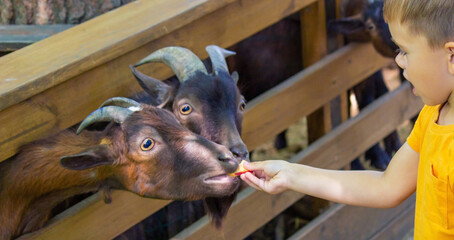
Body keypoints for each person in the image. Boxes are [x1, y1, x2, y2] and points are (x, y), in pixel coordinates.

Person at [240, 0, 454, 239]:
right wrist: (291, 174)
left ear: (451, 56)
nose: (398, 61)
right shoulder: (433, 115)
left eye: (405, 51)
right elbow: (387, 186)